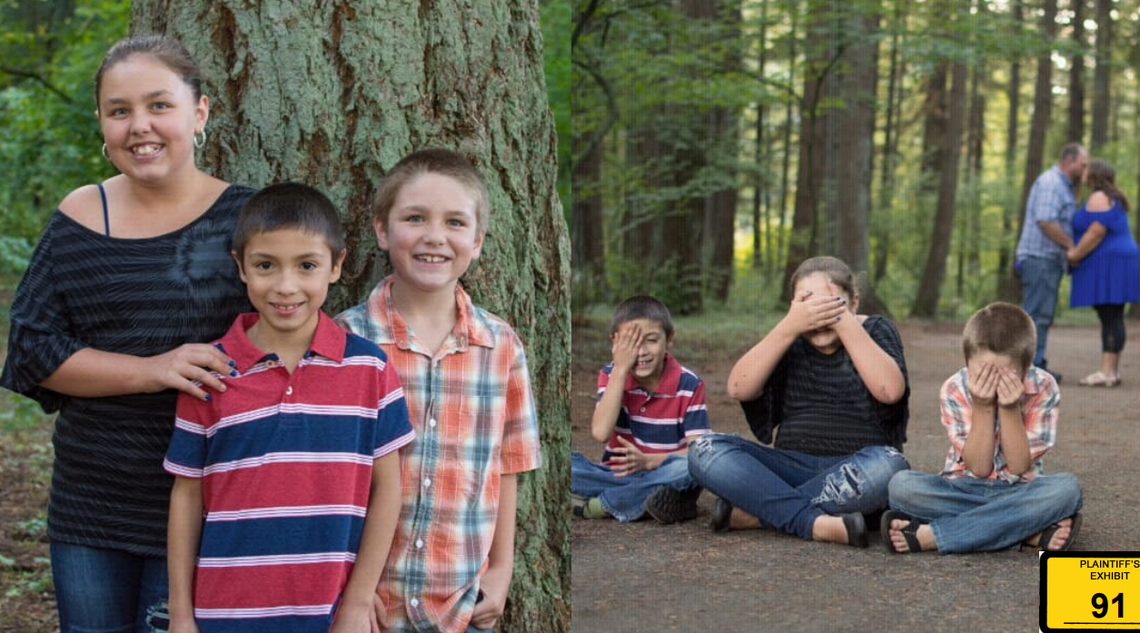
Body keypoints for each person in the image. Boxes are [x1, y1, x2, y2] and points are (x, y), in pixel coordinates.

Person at [0, 35, 254, 633]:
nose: (140, 126)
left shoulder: (250, 220)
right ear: (102, 124)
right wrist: (149, 370)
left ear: (200, 112)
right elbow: (32, 351)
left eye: (159, 105)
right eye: (120, 111)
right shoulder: (80, 216)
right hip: (92, 506)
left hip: (209, 506)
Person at [165, 183, 414, 632]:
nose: (286, 286)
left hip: (329, 612)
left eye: (306, 266)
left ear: (335, 266)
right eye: (265, 265)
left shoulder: (370, 370)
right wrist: (181, 615)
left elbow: (388, 491)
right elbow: (186, 497)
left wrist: (358, 602)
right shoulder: (209, 373)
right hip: (226, 613)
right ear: (241, 266)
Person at [336, 148, 542, 633]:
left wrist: (502, 567)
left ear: (478, 241)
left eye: (454, 222)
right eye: (415, 218)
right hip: (368, 606)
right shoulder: (346, 342)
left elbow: (508, 463)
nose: (434, 236)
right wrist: (349, 592)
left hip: (461, 605)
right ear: (383, 230)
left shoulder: (500, 346)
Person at [687, 256, 910, 548]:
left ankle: (759, 513)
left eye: (830, 303)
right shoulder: (789, 337)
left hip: (857, 470)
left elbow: (889, 391)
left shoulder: (875, 330)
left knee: (891, 466)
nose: (819, 314)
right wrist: (787, 328)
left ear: (854, 303)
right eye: (807, 304)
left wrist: (844, 322)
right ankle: (814, 522)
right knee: (703, 448)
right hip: (788, 467)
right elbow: (739, 388)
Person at [883, 302, 1083, 554]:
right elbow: (978, 468)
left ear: (1027, 365)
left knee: (1067, 491)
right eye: (982, 373)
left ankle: (934, 535)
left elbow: (1019, 466)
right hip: (962, 488)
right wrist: (983, 405)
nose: (992, 382)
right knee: (902, 487)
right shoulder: (955, 388)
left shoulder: (1043, 387)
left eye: (1005, 375)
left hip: (1021, 490)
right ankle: (1027, 531)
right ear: (967, 362)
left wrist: (1010, 408)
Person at [570, 295, 711, 524]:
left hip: (665, 473)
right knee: (563, 463)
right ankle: (653, 502)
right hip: (616, 475)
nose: (641, 351)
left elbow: (700, 451)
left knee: (692, 467)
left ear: (670, 338)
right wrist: (620, 369)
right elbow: (600, 432)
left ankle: (598, 506)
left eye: (651, 340)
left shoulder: (689, 384)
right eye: (631, 343)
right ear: (615, 343)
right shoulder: (611, 375)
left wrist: (648, 461)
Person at [1015, 142, 1090, 382]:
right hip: (1039, 258)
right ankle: (1029, 369)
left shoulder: (1064, 187)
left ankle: (1034, 365)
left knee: (1041, 315)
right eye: (1083, 164)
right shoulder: (1051, 183)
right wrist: (1071, 246)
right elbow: (1045, 221)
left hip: (1048, 260)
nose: (1085, 169)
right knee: (1036, 315)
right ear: (1069, 161)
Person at [1066, 159, 1140, 387]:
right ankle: (1112, 372)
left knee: (1110, 316)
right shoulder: (1111, 196)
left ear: (1095, 175)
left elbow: (1096, 231)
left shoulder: (1099, 197)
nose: (1083, 171)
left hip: (1111, 264)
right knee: (1114, 315)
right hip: (1119, 261)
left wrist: (1075, 254)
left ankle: (1107, 372)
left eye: (1087, 168)